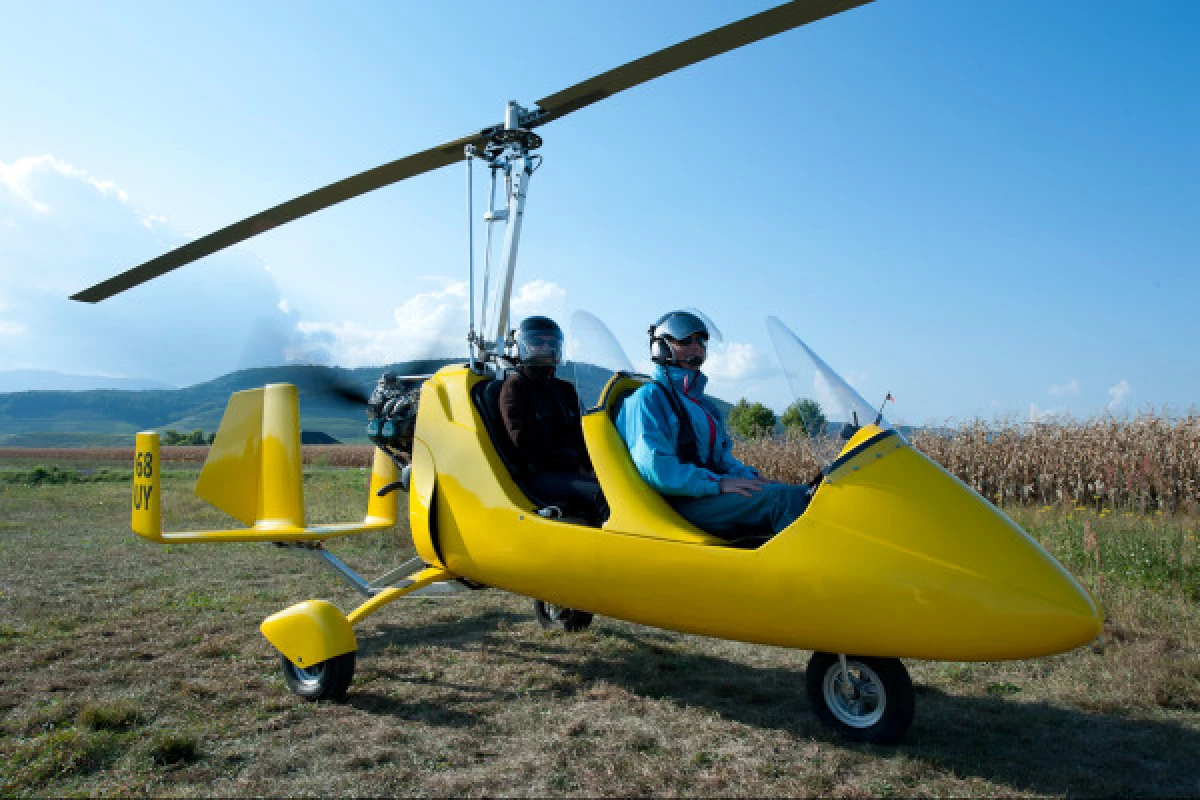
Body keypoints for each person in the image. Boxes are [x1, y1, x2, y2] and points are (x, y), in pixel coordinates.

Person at [616, 310, 811, 540]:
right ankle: (807, 574)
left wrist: (752, 478)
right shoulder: (647, 399)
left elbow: (722, 459)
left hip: (705, 494)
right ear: (661, 346)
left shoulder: (703, 406)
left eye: (700, 341)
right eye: (685, 340)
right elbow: (658, 468)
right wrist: (718, 484)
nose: (696, 346)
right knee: (783, 500)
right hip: (677, 502)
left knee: (805, 494)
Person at [498, 316, 605, 522]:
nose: (546, 347)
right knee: (603, 493)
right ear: (523, 346)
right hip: (538, 476)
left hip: (571, 470)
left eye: (552, 343)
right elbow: (525, 445)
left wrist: (596, 463)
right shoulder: (515, 388)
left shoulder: (565, 389)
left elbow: (582, 434)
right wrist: (575, 464)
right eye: (538, 342)